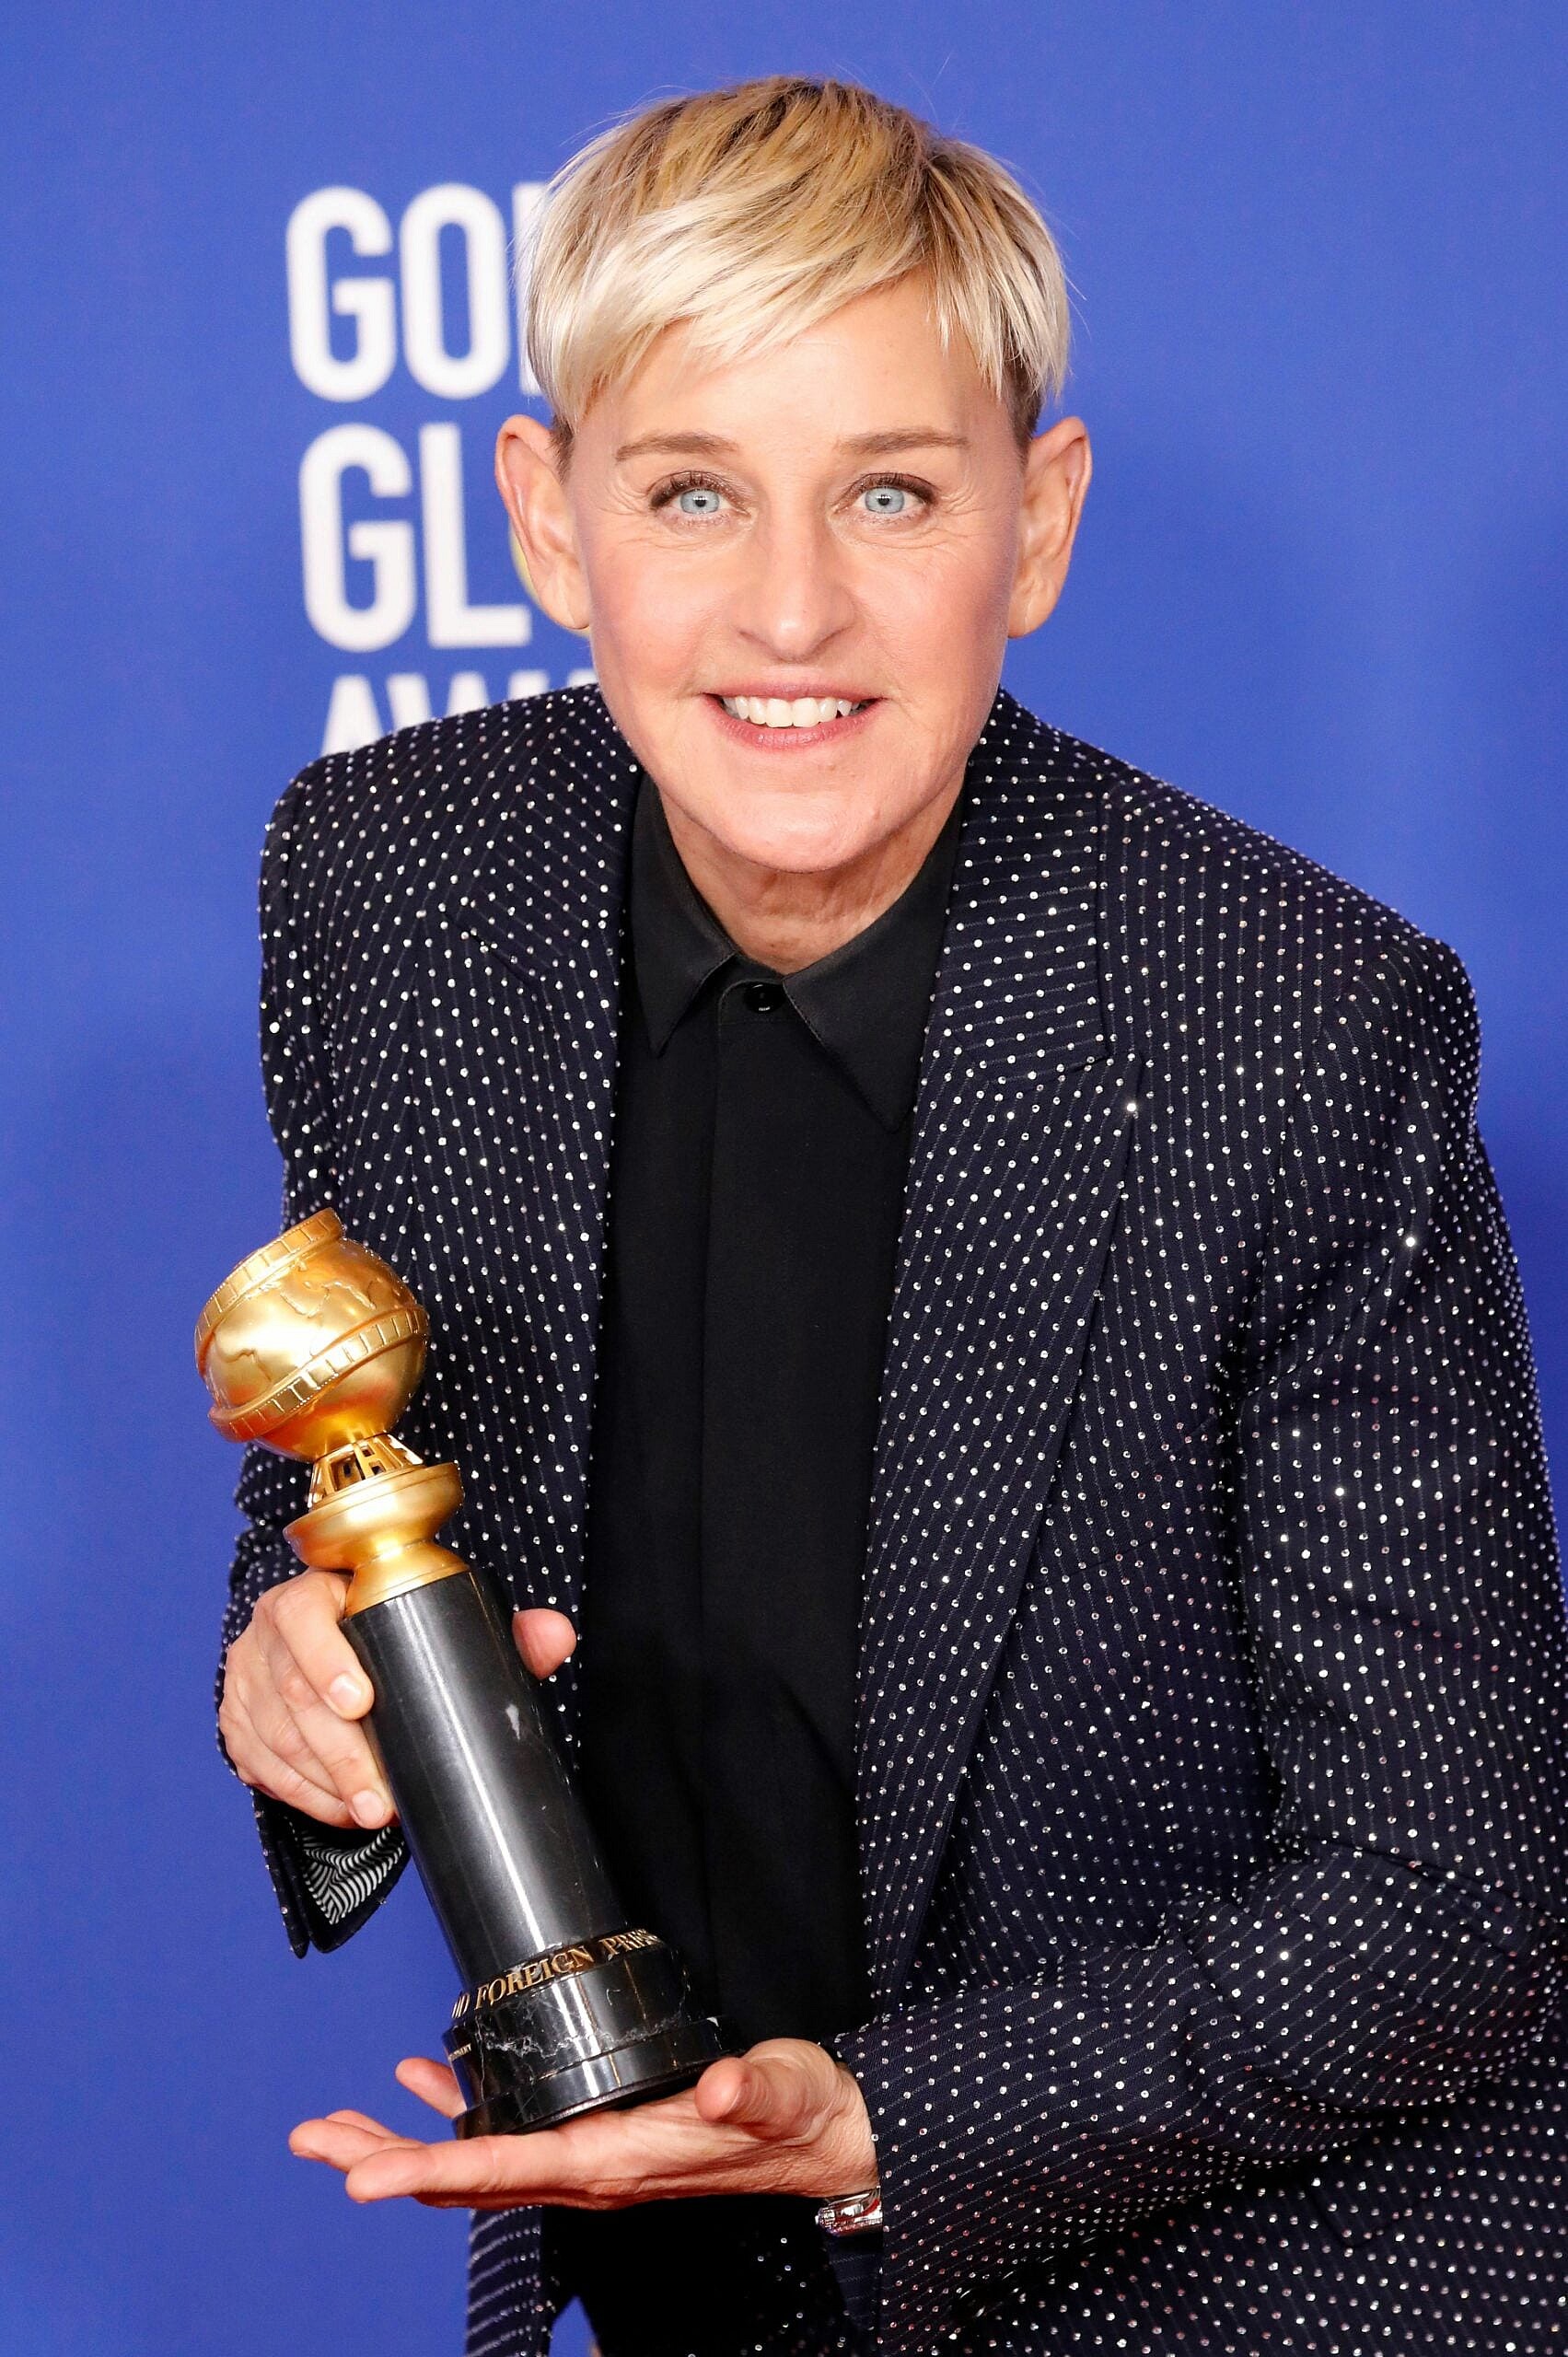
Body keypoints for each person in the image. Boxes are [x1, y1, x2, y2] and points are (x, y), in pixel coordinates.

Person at [216, 75, 1568, 2357]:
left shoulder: (1297, 1027)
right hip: (665, 2277)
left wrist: (877, 2114)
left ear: (1034, 528)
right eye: (691, 493)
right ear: (548, 521)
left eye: (891, 493)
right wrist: (301, 1677)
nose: (791, 608)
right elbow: (364, 1483)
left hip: (1225, 2293)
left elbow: (1444, 1898)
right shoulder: (393, 889)